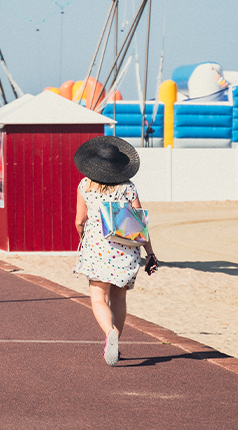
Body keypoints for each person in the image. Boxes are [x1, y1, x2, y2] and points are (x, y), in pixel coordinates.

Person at [72, 135, 158, 366]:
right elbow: (139, 223)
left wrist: (83, 236)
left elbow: (80, 219)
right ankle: (116, 338)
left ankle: (109, 332)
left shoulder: (85, 185)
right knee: (119, 297)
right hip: (126, 250)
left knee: (98, 297)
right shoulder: (128, 187)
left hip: (96, 248)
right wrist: (150, 253)